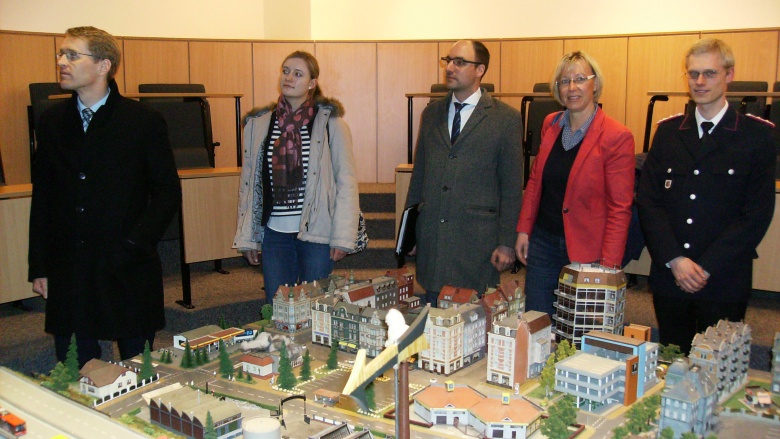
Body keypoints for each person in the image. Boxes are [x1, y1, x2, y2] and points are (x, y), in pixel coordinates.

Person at [28, 26, 182, 368]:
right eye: (60, 54)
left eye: (72, 55)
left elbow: (167, 192)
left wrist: (135, 242)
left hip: (125, 262)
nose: (61, 62)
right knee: (76, 369)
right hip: (69, 265)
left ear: (103, 66)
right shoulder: (52, 121)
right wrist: (40, 265)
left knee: (137, 370)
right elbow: (44, 199)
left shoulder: (142, 121)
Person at [637, 38, 776, 355]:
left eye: (710, 73)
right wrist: (675, 260)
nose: (700, 81)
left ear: (729, 75)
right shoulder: (669, 132)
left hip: (724, 278)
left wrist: (706, 267)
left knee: (719, 366)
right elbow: (649, 201)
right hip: (671, 276)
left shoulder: (756, 136)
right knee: (672, 362)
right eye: (693, 73)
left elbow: (756, 214)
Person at [515, 51, 635, 317]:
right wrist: (524, 230)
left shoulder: (617, 136)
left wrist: (609, 264)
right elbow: (535, 181)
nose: (572, 87)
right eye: (564, 81)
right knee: (538, 320)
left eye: (580, 79)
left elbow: (620, 208)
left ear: (595, 84)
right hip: (544, 241)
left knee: (580, 325)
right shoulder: (551, 124)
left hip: (588, 249)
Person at [233, 51, 359, 306]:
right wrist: (247, 237)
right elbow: (248, 185)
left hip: (316, 234)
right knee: (279, 307)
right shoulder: (259, 125)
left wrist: (343, 237)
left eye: (298, 74)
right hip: (274, 234)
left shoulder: (331, 124)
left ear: (312, 83)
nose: (289, 78)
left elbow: (346, 181)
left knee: (316, 306)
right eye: (286, 71)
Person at [405, 40, 523, 307]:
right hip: (434, 236)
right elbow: (419, 176)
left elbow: (512, 187)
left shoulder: (505, 119)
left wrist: (507, 242)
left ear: (480, 69)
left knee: (473, 319)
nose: (450, 68)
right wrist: (410, 231)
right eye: (448, 61)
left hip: (476, 242)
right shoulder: (431, 114)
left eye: (459, 62)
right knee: (434, 313)